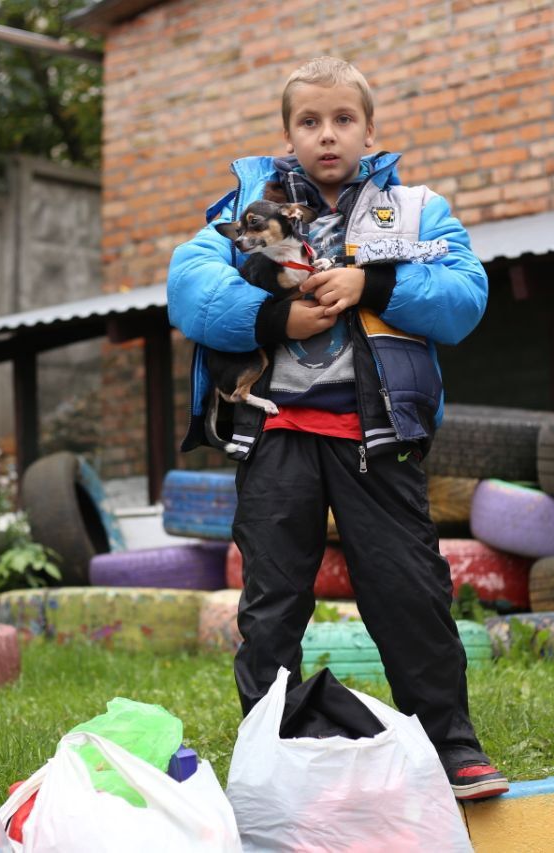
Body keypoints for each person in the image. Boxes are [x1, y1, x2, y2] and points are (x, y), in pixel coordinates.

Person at [167, 56, 507, 800]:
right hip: (277, 434)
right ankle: (270, 758)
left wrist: (372, 280)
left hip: (373, 438)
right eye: (310, 122)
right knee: (272, 605)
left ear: (370, 129)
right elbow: (189, 290)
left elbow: (463, 297)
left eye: (343, 119)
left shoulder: (414, 211)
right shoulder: (249, 210)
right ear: (288, 136)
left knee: (410, 590)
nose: (328, 135)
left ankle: (452, 748)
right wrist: (273, 314)